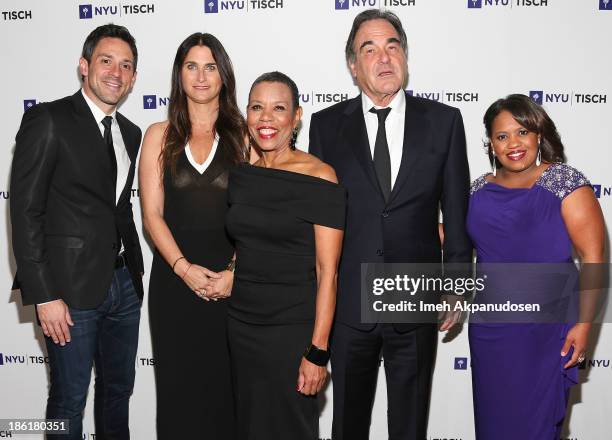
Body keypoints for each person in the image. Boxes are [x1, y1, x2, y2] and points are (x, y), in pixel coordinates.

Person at [308, 9, 473, 440]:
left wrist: (456, 284)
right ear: (352, 65)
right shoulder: (326, 126)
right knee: (347, 425)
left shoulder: (444, 121)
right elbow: (319, 219)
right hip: (348, 307)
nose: (384, 58)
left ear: (405, 56)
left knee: (410, 427)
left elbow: (456, 214)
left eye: (392, 47)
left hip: (415, 303)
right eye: (370, 49)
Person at [10, 24, 144, 439]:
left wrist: (133, 277)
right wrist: (44, 294)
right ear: (84, 66)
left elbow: (114, 209)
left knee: (118, 391)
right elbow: (25, 212)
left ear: (134, 78)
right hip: (67, 290)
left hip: (124, 283)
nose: (115, 73)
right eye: (106, 61)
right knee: (68, 399)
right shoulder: (48, 119)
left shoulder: (132, 133)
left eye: (126, 65)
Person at [467, 94, 605, 439]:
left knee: (536, 424)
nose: (513, 144)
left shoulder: (564, 182)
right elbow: (451, 240)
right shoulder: (478, 189)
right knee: (493, 424)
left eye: (522, 132)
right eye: (502, 136)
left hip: (545, 330)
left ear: (538, 136)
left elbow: (594, 258)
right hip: (490, 331)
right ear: (490, 144)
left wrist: (584, 326)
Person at [226, 71, 345, 439]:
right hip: (241, 323)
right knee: (249, 426)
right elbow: (245, 242)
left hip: (292, 328)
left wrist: (318, 351)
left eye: (279, 109)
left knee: (291, 427)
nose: (266, 118)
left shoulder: (320, 177)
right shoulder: (243, 174)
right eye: (257, 107)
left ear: (296, 117)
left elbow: (329, 273)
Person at [139, 33, 247, 439]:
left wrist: (235, 272)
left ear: (224, 74)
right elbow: (152, 214)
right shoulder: (158, 135)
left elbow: (257, 218)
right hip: (174, 284)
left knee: (229, 394)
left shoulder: (246, 137)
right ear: (179, 74)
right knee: (178, 394)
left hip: (233, 286)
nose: (201, 76)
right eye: (191, 66)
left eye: (210, 66)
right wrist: (183, 269)